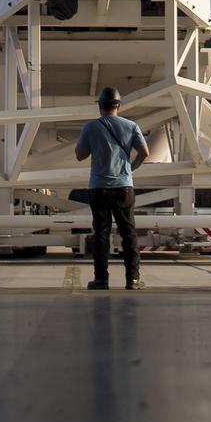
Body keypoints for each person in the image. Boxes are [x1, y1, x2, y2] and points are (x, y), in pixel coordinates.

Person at [75, 87, 149, 290]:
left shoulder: (91, 127)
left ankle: (101, 280)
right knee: (129, 234)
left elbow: (80, 155)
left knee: (101, 233)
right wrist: (130, 169)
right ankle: (132, 280)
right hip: (124, 187)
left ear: (100, 106)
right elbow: (145, 152)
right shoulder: (131, 126)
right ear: (118, 105)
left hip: (98, 188)